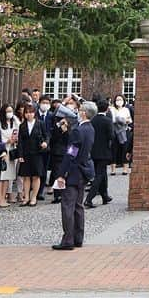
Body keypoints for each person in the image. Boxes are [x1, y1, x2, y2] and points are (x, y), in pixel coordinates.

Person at [51, 102, 95, 251]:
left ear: (83, 113)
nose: (77, 111)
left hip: (73, 172)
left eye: (80, 109)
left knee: (68, 206)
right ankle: (78, 238)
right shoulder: (90, 129)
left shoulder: (79, 130)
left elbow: (71, 153)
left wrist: (62, 174)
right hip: (83, 171)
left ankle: (68, 239)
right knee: (78, 206)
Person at [84, 99, 114, 209]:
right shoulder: (107, 120)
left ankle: (104, 195)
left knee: (102, 173)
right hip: (104, 151)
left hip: (93, 151)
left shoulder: (93, 120)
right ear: (107, 108)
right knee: (99, 175)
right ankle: (89, 199)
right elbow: (111, 136)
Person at [17, 102, 47, 206]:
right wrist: (20, 155)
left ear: (34, 113)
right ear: (24, 114)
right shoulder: (22, 126)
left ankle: (34, 197)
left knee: (36, 176)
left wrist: (45, 143)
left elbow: (47, 135)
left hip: (37, 152)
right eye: (27, 113)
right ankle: (26, 197)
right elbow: (20, 141)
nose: (29, 114)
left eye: (31, 112)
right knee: (26, 176)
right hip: (26, 153)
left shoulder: (40, 124)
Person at [47, 106, 74, 204]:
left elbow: (70, 139)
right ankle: (57, 194)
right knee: (56, 173)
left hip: (65, 152)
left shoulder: (69, 125)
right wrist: (60, 130)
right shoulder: (54, 125)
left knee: (64, 173)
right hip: (56, 152)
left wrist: (65, 131)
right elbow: (53, 139)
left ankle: (64, 193)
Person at [0, 104, 19, 205]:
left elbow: (18, 130)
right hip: (3, 150)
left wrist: (15, 140)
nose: (10, 113)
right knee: (1, 175)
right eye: (7, 111)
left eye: (11, 111)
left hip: (12, 151)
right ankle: (0, 198)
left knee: (8, 176)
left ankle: (4, 197)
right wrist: (7, 141)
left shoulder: (14, 123)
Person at [110, 95, 133, 175]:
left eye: (120, 99)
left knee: (125, 149)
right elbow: (112, 119)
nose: (118, 101)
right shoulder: (112, 109)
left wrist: (123, 120)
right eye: (117, 100)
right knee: (114, 150)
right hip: (115, 131)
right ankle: (113, 169)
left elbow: (129, 120)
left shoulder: (126, 109)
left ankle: (125, 169)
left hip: (124, 130)